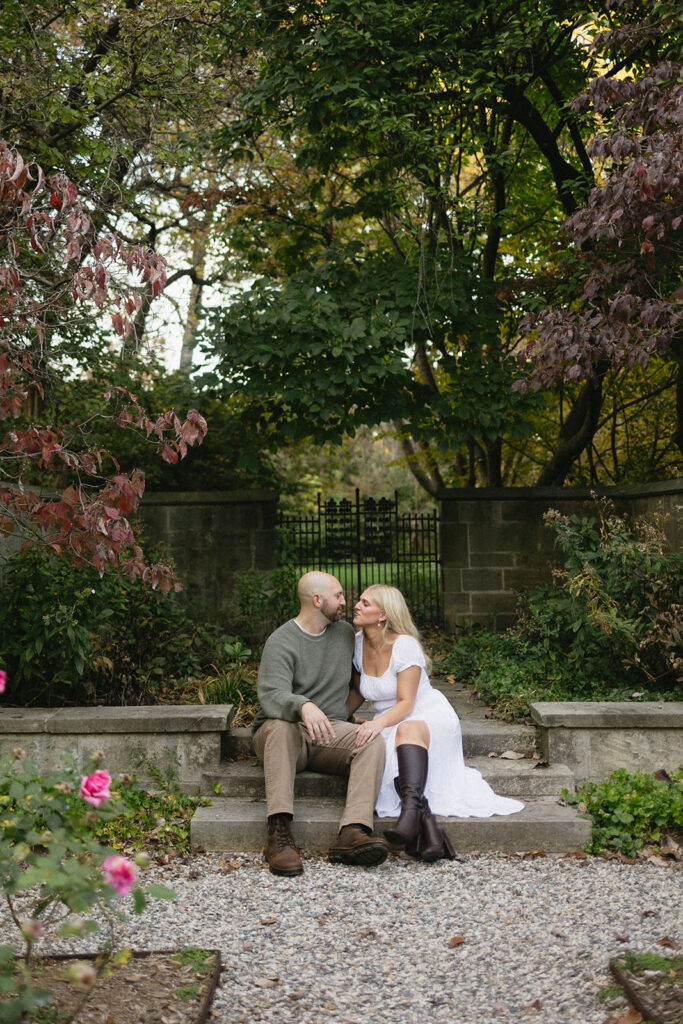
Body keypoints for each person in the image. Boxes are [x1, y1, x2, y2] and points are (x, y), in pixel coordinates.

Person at [350, 584, 524, 862]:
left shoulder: (404, 646)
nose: (357, 605)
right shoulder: (358, 643)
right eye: (359, 601)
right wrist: (337, 717)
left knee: (403, 732)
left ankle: (409, 819)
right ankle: (430, 832)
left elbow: (407, 702)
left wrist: (376, 724)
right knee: (385, 745)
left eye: (365, 603)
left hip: (425, 714)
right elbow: (360, 691)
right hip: (390, 720)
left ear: (383, 615)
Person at [253, 571, 389, 877]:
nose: (345, 602)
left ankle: (352, 831)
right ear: (317, 600)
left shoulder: (344, 635)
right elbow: (271, 695)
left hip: (328, 732)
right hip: (285, 736)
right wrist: (303, 706)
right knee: (280, 727)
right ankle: (279, 833)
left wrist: (348, 715)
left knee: (371, 739)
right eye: (338, 596)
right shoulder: (281, 640)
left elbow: (360, 682)